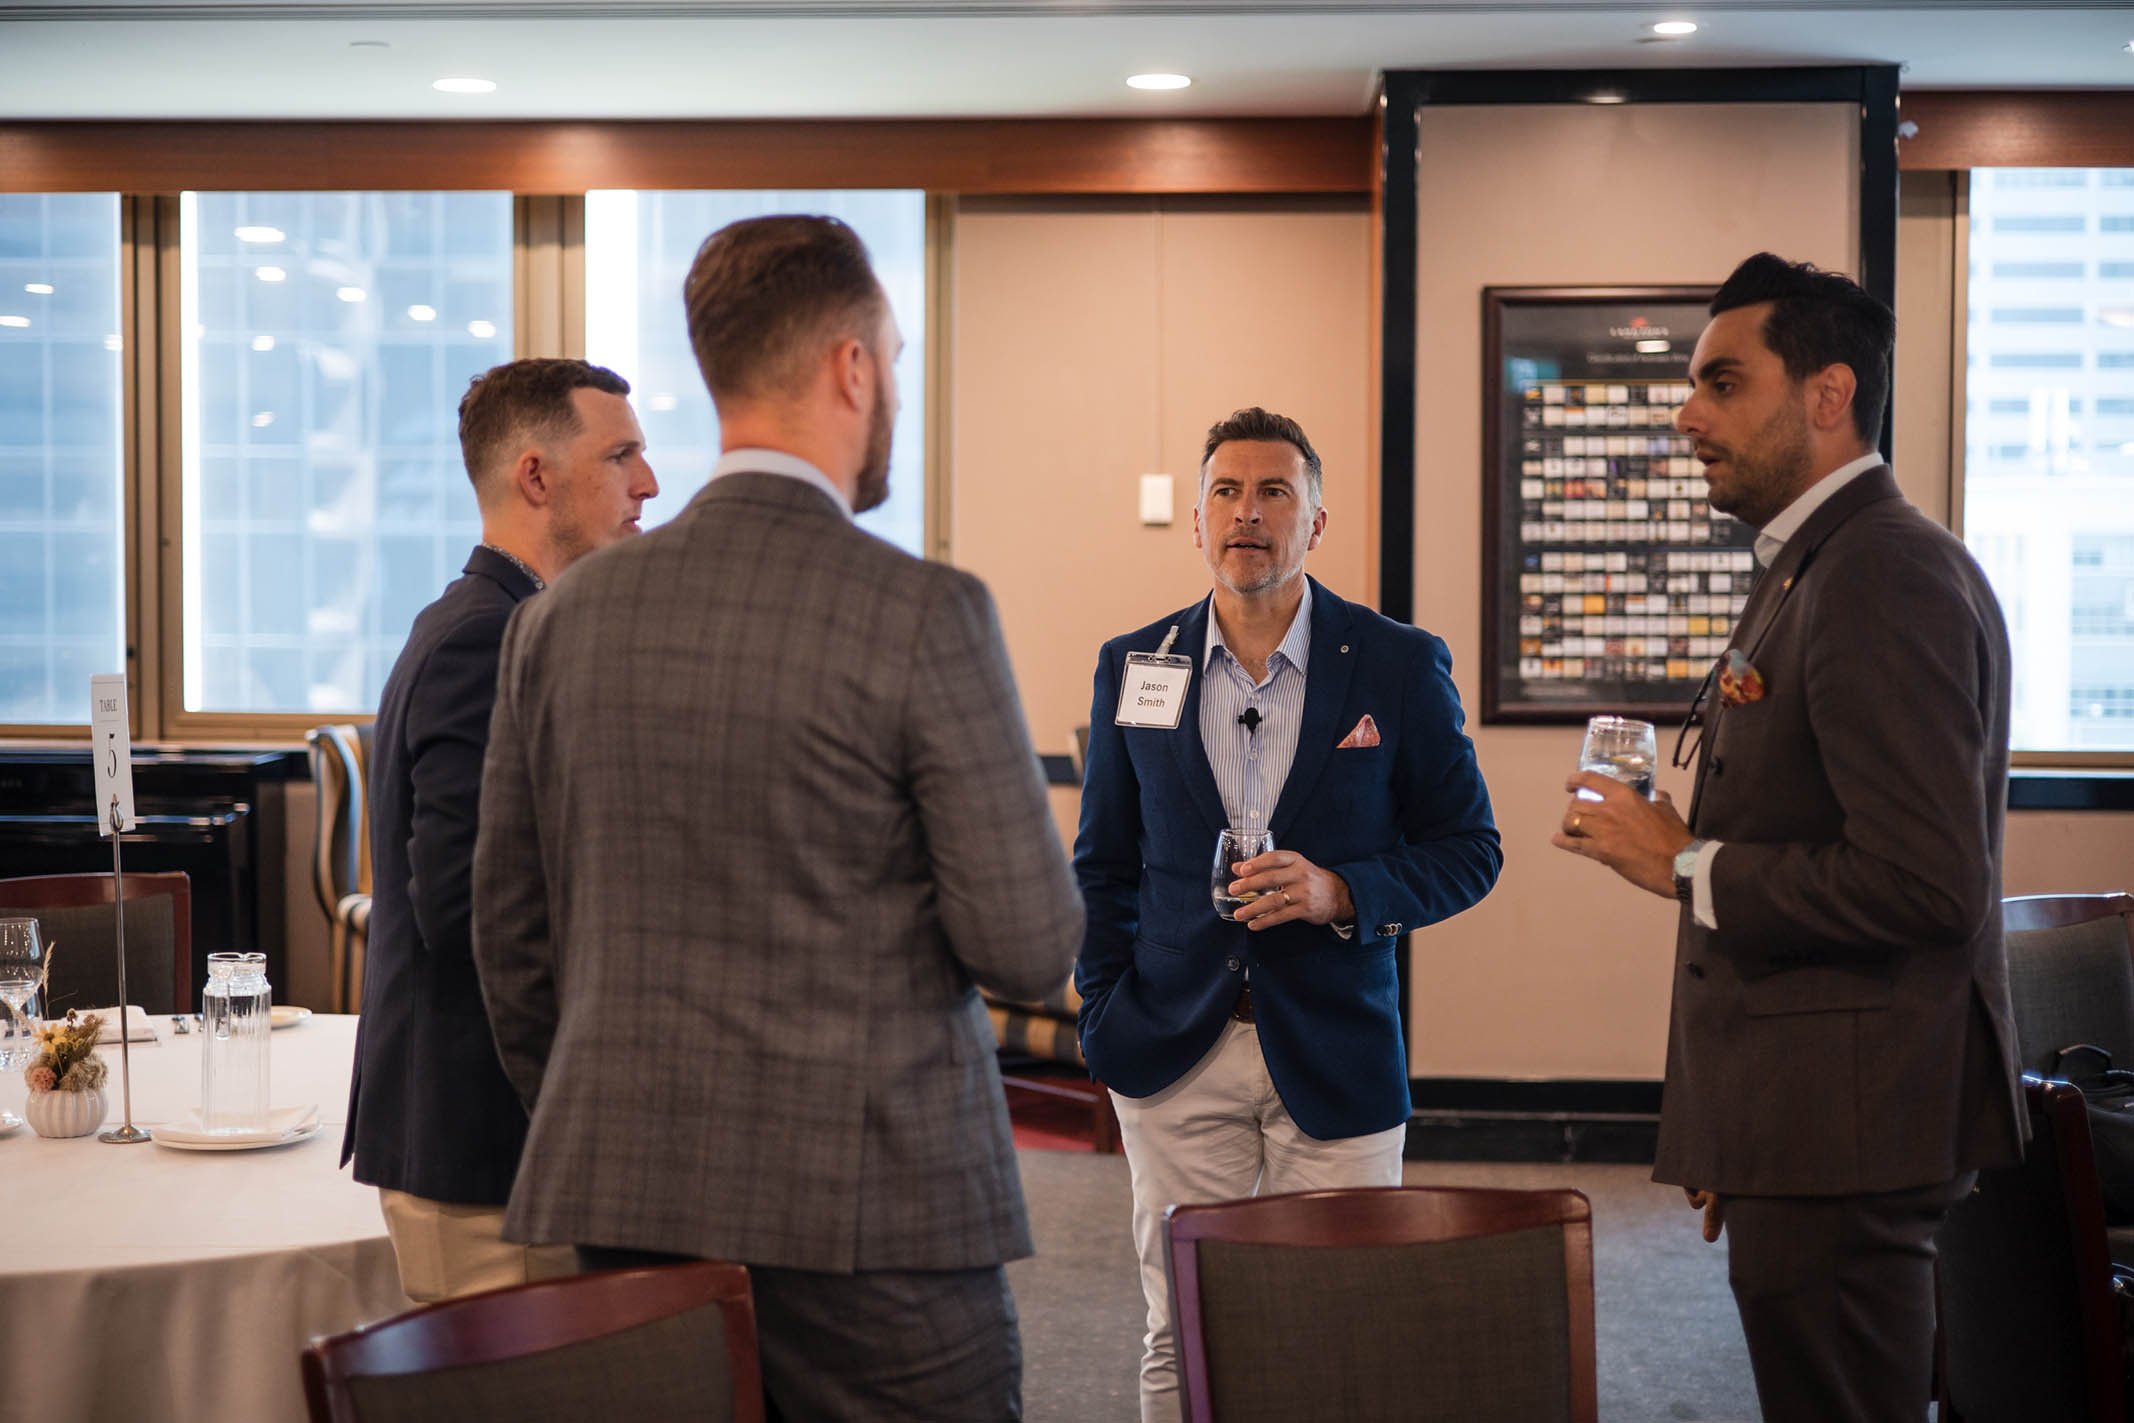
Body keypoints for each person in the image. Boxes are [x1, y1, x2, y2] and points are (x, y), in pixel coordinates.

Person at [471, 214, 1082, 1423]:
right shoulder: (921, 610)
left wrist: (620, 1116)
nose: (891, 386)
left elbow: (513, 942)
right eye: (893, 359)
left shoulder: (560, 617)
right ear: (851, 366)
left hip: (625, 1198)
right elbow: (1026, 943)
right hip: (880, 1216)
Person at [1552, 252, 2025, 1423]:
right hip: (1804, 1118)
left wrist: (1684, 861)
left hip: (1852, 1126)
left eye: (1721, 382)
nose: (1685, 413)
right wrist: (1734, 1119)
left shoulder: (1881, 572)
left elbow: (1924, 883)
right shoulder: (1813, 563)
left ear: (1827, 394)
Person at [1074, 406, 1502, 1423]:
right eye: (1225, 491)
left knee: (1344, 1327)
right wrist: (1102, 1009)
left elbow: (1468, 850)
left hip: (1338, 1044)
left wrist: (1342, 891)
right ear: (1195, 521)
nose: (1247, 513)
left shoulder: (1395, 664)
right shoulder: (1139, 665)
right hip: (1173, 1046)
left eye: (1274, 492)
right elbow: (1103, 864)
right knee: (1182, 1328)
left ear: (1315, 521)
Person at [342, 357, 659, 1303]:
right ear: (536, 476)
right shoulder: (485, 637)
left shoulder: (511, 621)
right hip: (487, 1145)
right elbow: (467, 907)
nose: (648, 483)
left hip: (504, 1142)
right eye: (623, 455)